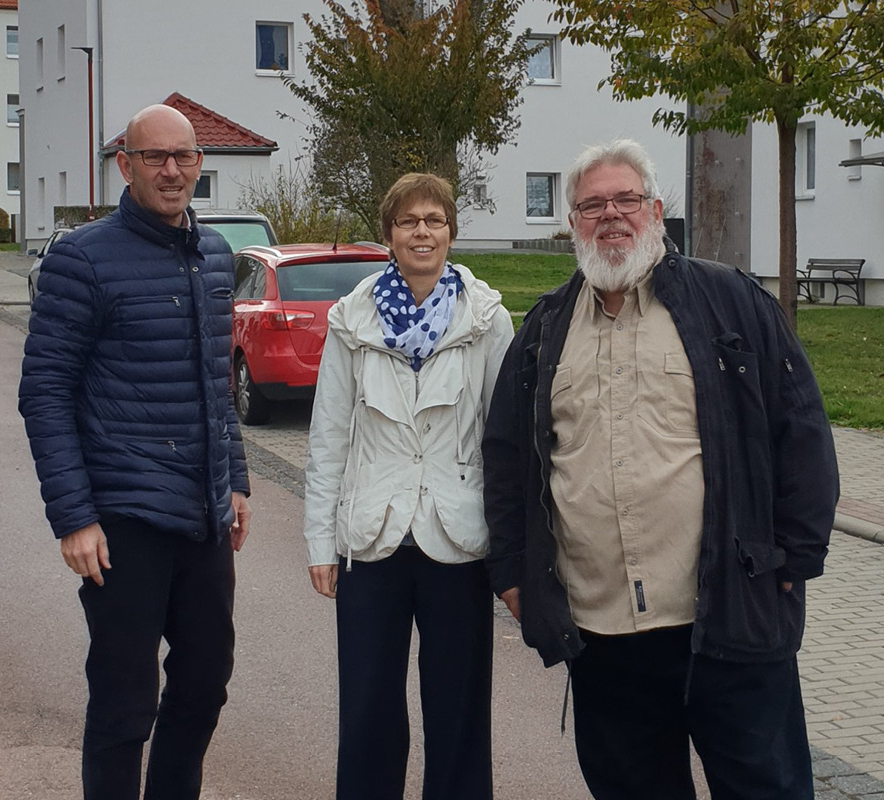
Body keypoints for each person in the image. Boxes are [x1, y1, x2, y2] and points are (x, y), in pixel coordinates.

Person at [482, 139, 839, 800]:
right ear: (571, 224)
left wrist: (796, 557)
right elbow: (506, 460)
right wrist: (512, 572)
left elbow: (802, 428)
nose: (609, 215)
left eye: (624, 200)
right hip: (603, 629)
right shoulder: (545, 331)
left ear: (656, 210)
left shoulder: (729, 303)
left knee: (765, 788)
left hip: (728, 614)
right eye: (592, 205)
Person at [18, 103, 251, 800]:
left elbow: (218, 378)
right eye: (155, 157)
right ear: (126, 165)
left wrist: (234, 478)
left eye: (183, 156)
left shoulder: (214, 256)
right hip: (122, 520)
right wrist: (73, 517)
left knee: (206, 686)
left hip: (202, 518)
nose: (171, 170)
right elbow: (45, 393)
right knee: (124, 705)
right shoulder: (82, 259)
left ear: (200, 164)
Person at [301, 173, 514, 800]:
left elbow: (503, 441)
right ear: (388, 234)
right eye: (408, 221)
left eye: (434, 220)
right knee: (367, 707)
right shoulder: (352, 320)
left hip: (458, 539)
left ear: (450, 231)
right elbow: (328, 436)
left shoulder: (486, 319)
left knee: (459, 710)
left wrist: (509, 548)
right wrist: (320, 540)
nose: (422, 232)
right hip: (374, 540)